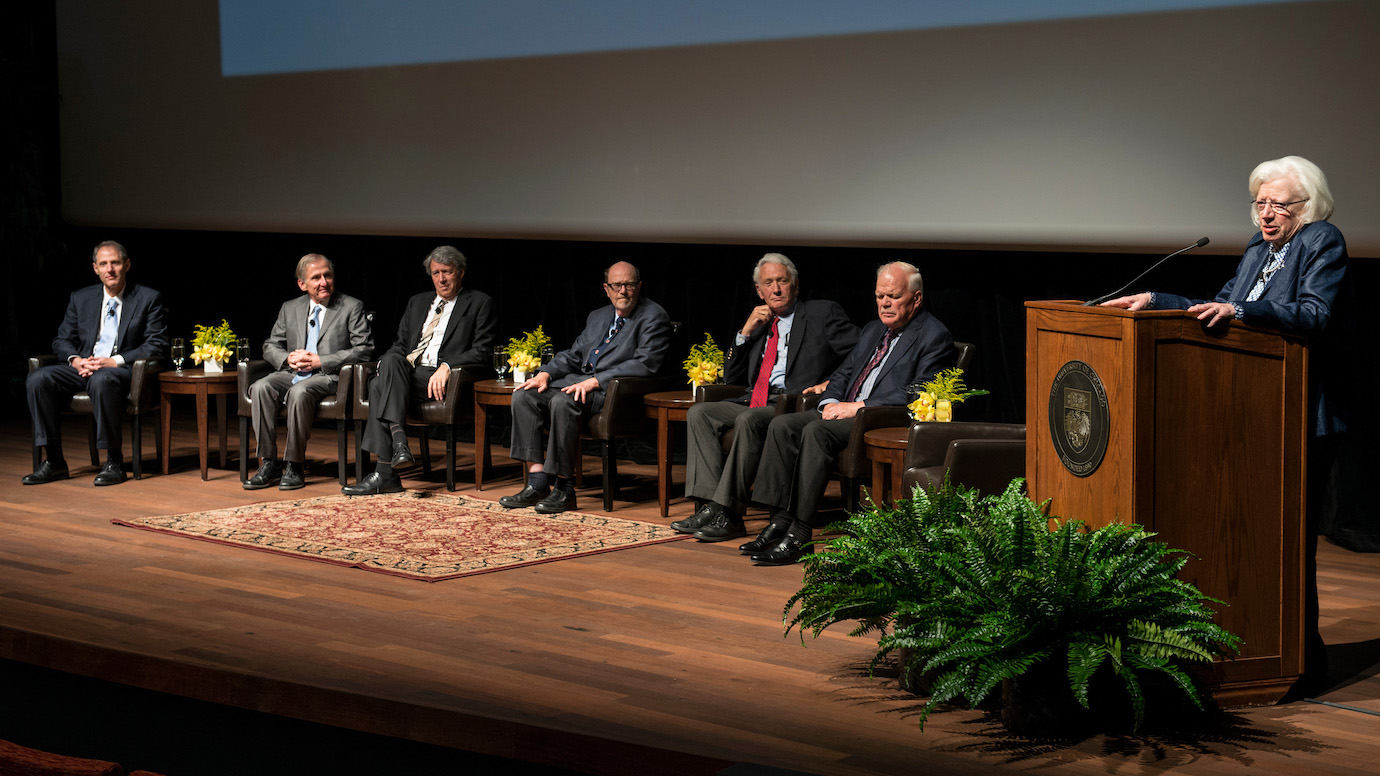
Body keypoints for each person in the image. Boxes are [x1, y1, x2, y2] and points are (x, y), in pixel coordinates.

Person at [1100, 155, 1354, 689]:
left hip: (1298, 415)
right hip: (1246, 418)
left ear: (1308, 207)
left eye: (1279, 204)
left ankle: (1302, 660)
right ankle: (1258, 649)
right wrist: (1158, 300)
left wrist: (1243, 314)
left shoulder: (1320, 241)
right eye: (1259, 203)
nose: (1266, 214)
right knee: (1247, 539)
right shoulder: (1259, 250)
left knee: (1287, 542)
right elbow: (1221, 304)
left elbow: (1313, 316)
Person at [745, 261, 956, 565]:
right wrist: (828, 401)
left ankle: (800, 535)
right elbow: (843, 374)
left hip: (879, 419)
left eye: (894, 296)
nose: (885, 303)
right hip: (845, 412)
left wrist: (858, 407)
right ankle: (780, 520)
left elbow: (920, 391)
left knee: (816, 432)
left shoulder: (934, 335)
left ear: (916, 298)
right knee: (782, 425)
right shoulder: (873, 330)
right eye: (880, 296)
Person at [673, 253, 859, 542]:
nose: (776, 289)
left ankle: (729, 514)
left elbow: (862, 355)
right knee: (700, 412)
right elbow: (732, 377)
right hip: (756, 398)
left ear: (795, 286)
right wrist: (744, 333)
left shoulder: (822, 313)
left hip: (793, 403)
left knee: (749, 419)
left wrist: (829, 383)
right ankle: (711, 506)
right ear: (759, 291)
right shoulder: (760, 321)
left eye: (782, 281)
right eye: (768, 283)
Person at [498, 261, 672, 514]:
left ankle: (564, 489)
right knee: (525, 396)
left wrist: (596, 381)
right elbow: (573, 354)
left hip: (613, 393)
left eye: (629, 284)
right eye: (617, 285)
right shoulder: (598, 316)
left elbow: (646, 363)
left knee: (562, 402)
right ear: (606, 288)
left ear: (639, 286)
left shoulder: (654, 316)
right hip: (579, 385)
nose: (623, 290)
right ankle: (537, 483)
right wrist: (546, 373)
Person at [343, 246, 496, 495]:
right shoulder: (417, 302)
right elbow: (401, 345)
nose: (441, 279)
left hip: (441, 380)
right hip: (408, 375)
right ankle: (399, 443)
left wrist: (447, 366)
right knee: (389, 362)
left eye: (446, 272)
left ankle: (387, 471)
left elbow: (482, 350)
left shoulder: (479, 303)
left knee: (377, 385)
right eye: (436, 273)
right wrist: (385, 362)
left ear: (460, 272)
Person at [24, 241, 168, 486]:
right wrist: (76, 360)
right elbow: (62, 340)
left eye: (115, 263)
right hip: (85, 367)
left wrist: (115, 360)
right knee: (38, 379)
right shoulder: (81, 298)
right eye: (104, 264)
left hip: (121, 371)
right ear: (95, 269)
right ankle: (55, 461)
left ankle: (113, 461)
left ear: (127, 265)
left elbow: (156, 343)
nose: (110, 269)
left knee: (103, 379)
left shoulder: (147, 298)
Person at [243, 254, 374, 490]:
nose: (324, 282)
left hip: (330, 376)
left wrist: (320, 361)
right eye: (316, 277)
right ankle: (269, 463)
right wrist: (287, 358)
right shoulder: (290, 307)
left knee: (299, 392)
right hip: (293, 372)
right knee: (261, 387)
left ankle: (294, 463)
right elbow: (270, 345)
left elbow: (364, 350)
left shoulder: (351, 306)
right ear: (302, 284)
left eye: (328, 275)